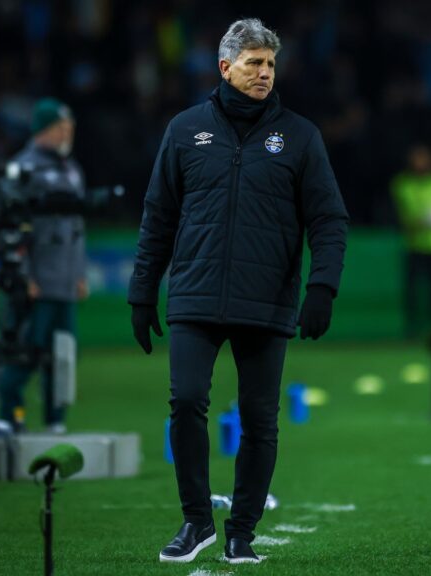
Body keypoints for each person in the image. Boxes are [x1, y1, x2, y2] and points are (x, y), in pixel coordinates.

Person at [128, 19, 348, 565]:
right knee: (186, 402)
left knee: (259, 420)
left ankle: (241, 531)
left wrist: (322, 287)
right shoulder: (184, 130)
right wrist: (142, 291)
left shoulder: (300, 136)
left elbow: (328, 219)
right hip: (195, 294)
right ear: (226, 68)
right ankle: (196, 521)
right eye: (254, 63)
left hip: (266, 300)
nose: (264, 73)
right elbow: (158, 216)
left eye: (270, 64)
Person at [0, 98, 89, 434]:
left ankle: (55, 422)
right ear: (43, 130)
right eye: (61, 128)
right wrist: (23, 275)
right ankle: (8, 419)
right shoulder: (23, 168)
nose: (67, 134)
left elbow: (77, 228)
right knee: (24, 354)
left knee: (62, 357)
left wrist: (79, 273)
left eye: (70, 127)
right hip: (36, 283)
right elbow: (8, 227)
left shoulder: (71, 169)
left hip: (64, 282)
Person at [391, 144, 431, 338]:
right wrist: (423, 222)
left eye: (423, 157)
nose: (420, 162)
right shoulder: (402, 184)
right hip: (414, 246)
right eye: (416, 158)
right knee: (413, 292)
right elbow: (403, 219)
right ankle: (412, 329)